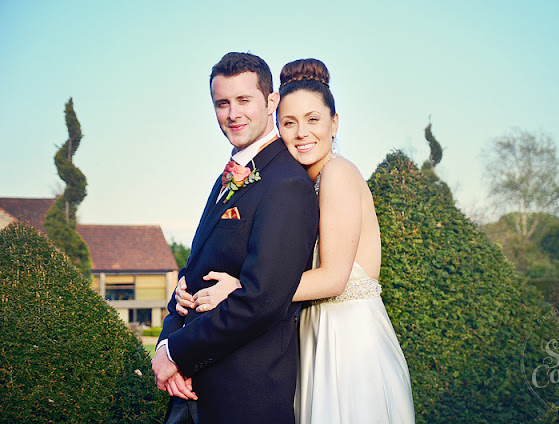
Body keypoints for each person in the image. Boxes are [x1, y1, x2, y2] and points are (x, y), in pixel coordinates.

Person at [177, 58, 415, 423]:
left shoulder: (338, 174)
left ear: (334, 123)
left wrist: (245, 288)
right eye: (290, 123)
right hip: (310, 332)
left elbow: (334, 278)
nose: (302, 133)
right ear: (277, 123)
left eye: (313, 120)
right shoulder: (300, 181)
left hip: (346, 340)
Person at [152, 52, 319, 424]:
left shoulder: (287, 184)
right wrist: (167, 336)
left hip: (244, 397)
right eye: (222, 103)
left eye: (244, 100)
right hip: (194, 390)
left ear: (270, 101)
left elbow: (262, 300)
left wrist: (177, 353)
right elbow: (193, 269)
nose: (233, 113)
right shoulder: (231, 173)